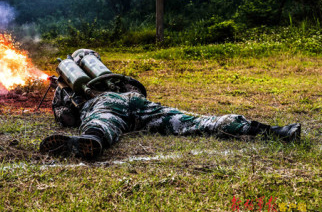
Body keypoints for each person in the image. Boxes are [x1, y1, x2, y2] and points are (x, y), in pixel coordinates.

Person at [39, 49, 301, 159]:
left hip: (106, 104)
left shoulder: (69, 86)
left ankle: (91, 141)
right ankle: (275, 131)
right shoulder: (115, 79)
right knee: (197, 122)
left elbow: (67, 118)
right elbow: (136, 87)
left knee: (103, 122)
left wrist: (60, 95)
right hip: (138, 103)